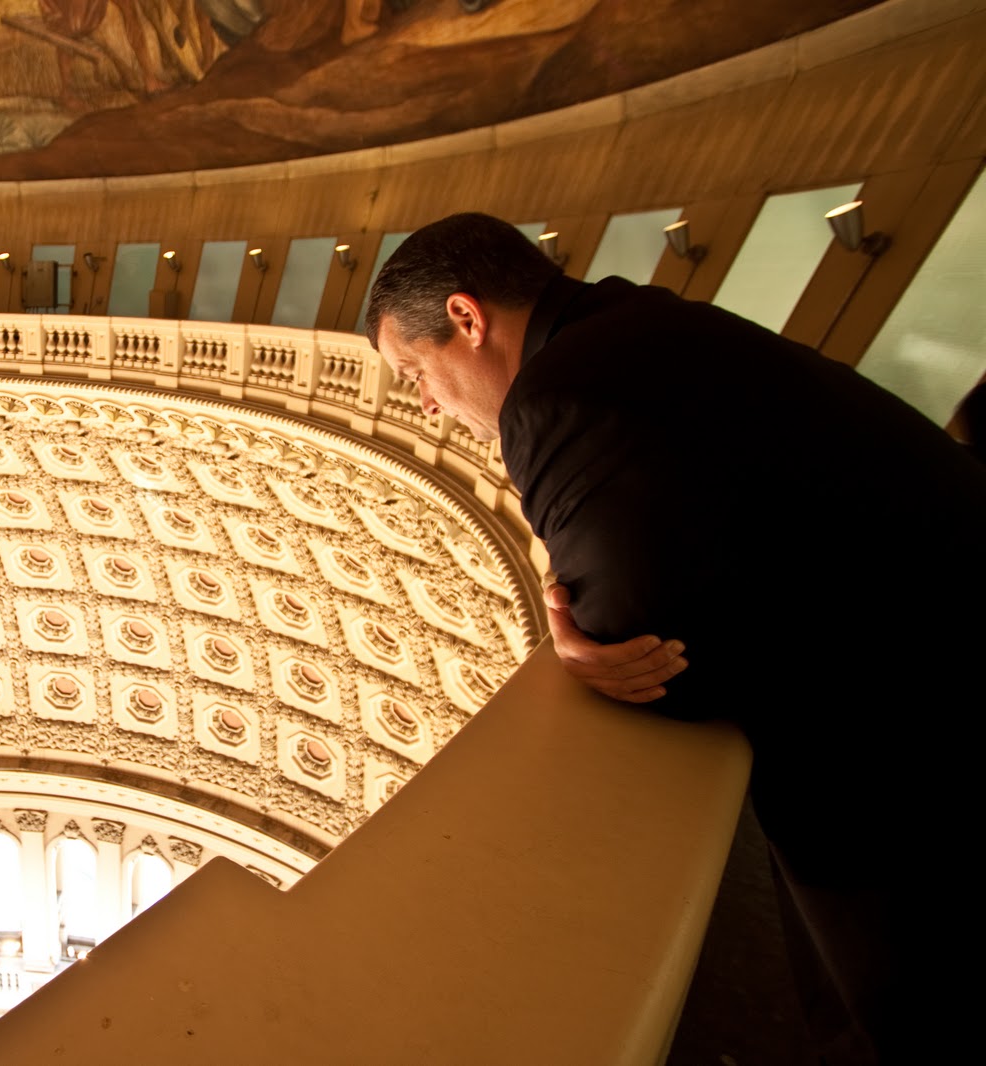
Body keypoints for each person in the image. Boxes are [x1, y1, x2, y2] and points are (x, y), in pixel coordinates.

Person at [365, 212, 984, 1065]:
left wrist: (581, 635)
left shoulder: (553, 396)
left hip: (907, 748)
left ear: (467, 320)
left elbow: (647, 653)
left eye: (414, 373)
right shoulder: (637, 318)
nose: (426, 404)